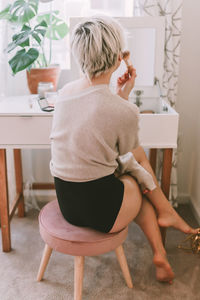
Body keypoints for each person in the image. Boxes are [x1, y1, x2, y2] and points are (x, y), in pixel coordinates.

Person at [49, 16, 199, 284]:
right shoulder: (123, 111)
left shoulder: (65, 92)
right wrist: (124, 100)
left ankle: (160, 246)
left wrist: (121, 98)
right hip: (101, 212)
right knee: (135, 178)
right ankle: (166, 216)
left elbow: (100, 128)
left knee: (128, 182)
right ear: (119, 59)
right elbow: (132, 156)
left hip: (67, 202)